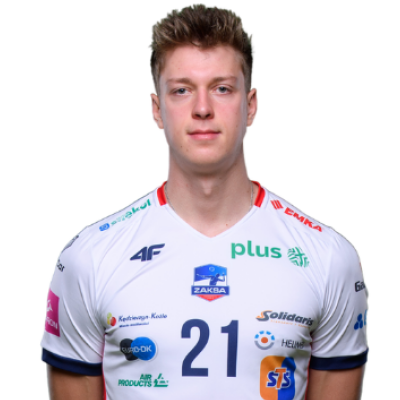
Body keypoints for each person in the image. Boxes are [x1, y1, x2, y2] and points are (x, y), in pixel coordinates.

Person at [40, 4, 369, 399]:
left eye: (222, 88)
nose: (202, 109)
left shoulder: (329, 258)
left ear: (251, 107)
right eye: (182, 90)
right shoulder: (88, 259)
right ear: (156, 111)